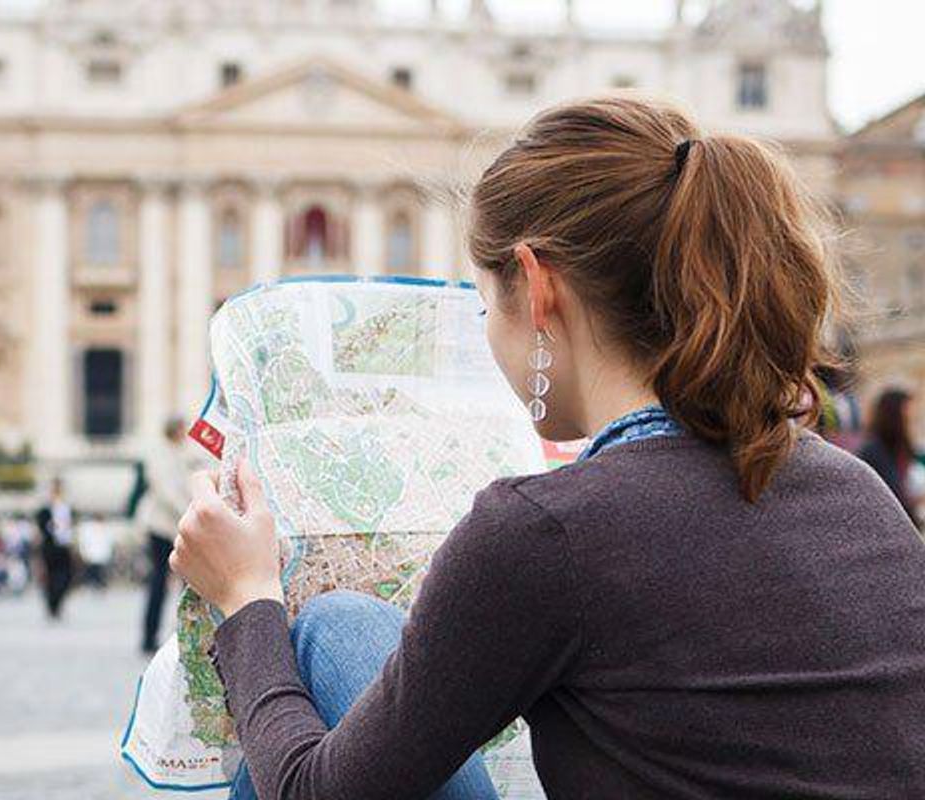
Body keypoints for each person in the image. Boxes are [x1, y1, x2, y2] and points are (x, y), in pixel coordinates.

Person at [170, 96, 925, 799]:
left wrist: (246, 598)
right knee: (346, 625)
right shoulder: (856, 490)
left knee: (313, 640)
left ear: (536, 288)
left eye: (485, 302)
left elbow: (313, 787)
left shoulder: (545, 530)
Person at [139, 416, 195, 654]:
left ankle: (185, 632)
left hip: (176, 526)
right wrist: (188, 511)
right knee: (159, 582)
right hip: (162, 528)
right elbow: (166, 491)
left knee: (187, 582)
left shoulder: (179, 454)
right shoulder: (159, 455)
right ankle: (149, 635)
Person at [859, 387, 921, 527]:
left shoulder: (901, 447)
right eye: (906, 413)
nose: (912, 418)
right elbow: (894, 495)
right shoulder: (874, 451)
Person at [36, 478, 76, 620]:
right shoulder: (45, 510)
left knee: (65, 578)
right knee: (51, 579)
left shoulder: (67, 509)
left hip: (64, 548)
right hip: (50, 548)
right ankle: (52, 607)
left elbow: (71, 530)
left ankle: (58, 603)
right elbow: (42, 528)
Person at [77, 512, 114, 590]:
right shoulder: (89, 528)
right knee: (92, 570)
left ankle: (97, 583)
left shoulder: (105, 529)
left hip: (100, 554)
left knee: (98, 570)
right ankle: (91, 582)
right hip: (92, 554)